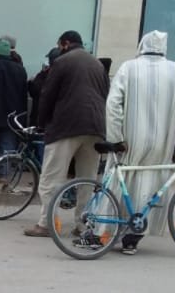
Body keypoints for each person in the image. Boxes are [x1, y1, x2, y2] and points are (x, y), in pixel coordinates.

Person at [104, 32, 175, 254]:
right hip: (163, 141)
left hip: (131, 140)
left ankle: (107, 231)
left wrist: (115, 137)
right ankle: (133, 238)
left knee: (120, 181)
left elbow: (113, 103)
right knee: (150, 185)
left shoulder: (128, 68)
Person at [24, 31, 110, 238]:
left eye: (59, 45)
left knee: (52, 177)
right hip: (96, 127)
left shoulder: (62, 62)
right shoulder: (97, 64)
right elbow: (106, 94)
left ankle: (47, 224)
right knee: (87, 179)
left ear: (65, 43)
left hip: (66, 125)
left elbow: (48, 95)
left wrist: (41, 123)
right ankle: (83, 224)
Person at [0, 39, 28, 171]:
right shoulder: (20, 69)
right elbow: (23, 94)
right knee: (7, 144)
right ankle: (3, 173)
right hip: (12, 114)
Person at [28, 47, 61, 127]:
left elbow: (35, 90)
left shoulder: (46, 75)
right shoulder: (64, 74)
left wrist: (31, 82)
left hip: (41, 117)